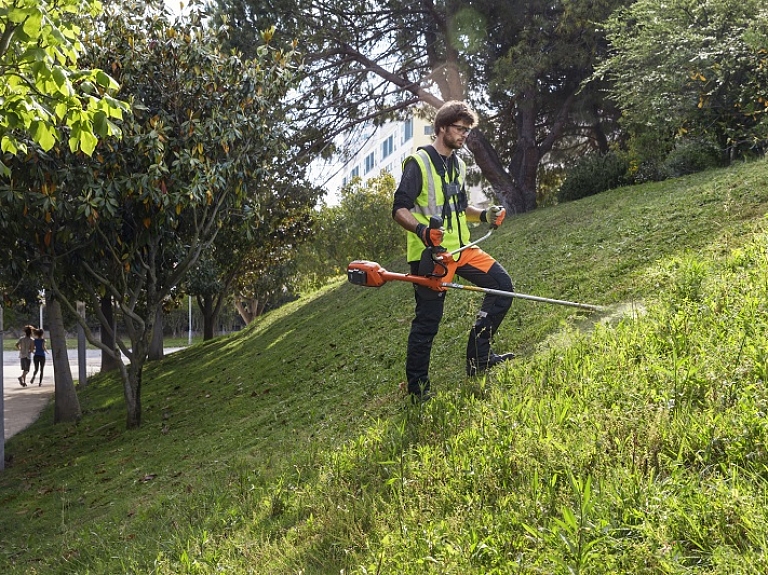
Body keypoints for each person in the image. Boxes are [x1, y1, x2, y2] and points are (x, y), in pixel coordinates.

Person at [392, 100, 515, 401]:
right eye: (460, 129)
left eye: (467, 131)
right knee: (428, 323)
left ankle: (478, 358)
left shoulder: (457, 165)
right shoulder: (418, 163)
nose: (463, 136)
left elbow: (460, 207)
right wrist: (422, 231)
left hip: (463, 249)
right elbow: (399, 209)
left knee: (502, 287)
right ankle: (418, 390)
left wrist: (484, 215)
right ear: (442, 127)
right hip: (432, 256)